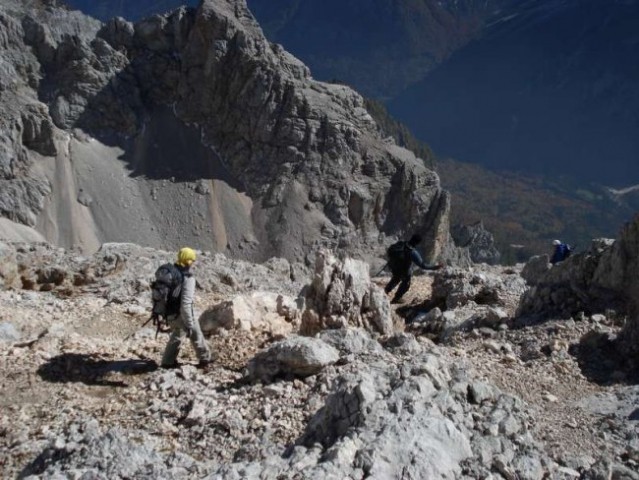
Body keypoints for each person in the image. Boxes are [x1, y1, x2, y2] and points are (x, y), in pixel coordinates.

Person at [161, 247, 212, 369]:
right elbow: (186, 304)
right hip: (181, 314)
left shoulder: (169, 274)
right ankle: (205, 359)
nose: (193, 263)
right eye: (192, 260)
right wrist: (189, 323)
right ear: (188, 261)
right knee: (196, 332)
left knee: (178, 333)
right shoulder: (188, 279)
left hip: (169, 313)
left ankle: (167, 362)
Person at [384, 234, 442, 304]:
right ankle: (397, 298)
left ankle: (384, 292)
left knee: (395, 279)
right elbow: (423, 265)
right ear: (417, 243)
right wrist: (436, 267)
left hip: (394, 267)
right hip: (403, 271)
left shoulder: (401, 243)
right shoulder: (412, 252)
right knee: (406, 284)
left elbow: (390, 250)